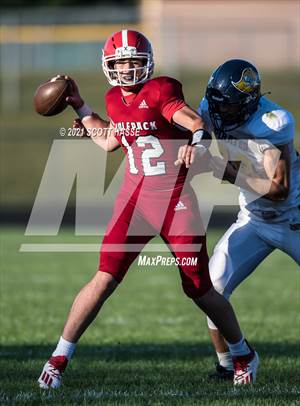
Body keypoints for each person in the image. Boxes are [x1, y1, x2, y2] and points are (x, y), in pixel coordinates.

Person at [38, 31, 259, 389]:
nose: (126, 69)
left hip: (174, 201)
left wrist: (197, 143)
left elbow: (193, 122)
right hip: (135, 200)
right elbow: (112, 140)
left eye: (133, 61)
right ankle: (58, 359)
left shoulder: (161, 89)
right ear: (109, 66)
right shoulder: (112, 98)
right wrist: (79, 107)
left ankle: (243, 353)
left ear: (148, 63)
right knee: (104, 278)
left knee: (198, 287)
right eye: (120, 62)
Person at [197, 59, 300, 380]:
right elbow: (184, 130)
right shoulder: (210, 108)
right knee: (211, 288)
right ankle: (230, 363)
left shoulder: (271, 122)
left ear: (247, 103)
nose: (218, 112)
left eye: (226, 107)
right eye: (216, 103)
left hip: (292, 218)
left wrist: (226, 172)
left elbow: (278, 189)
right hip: (253, 219)